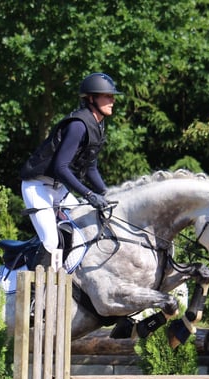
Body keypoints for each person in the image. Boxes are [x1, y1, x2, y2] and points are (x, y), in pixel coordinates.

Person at [20, 72, 121, 268]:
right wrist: (89, 194)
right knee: (51, 241)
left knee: (82, 235)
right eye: (107, 96)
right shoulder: (78, 125)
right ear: (91, 99)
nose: (113, 100)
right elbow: (60, 167)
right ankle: (33, 292)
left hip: (58, 189)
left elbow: (91, 168)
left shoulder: (98, 125)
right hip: (37, 186)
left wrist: (108, 194)